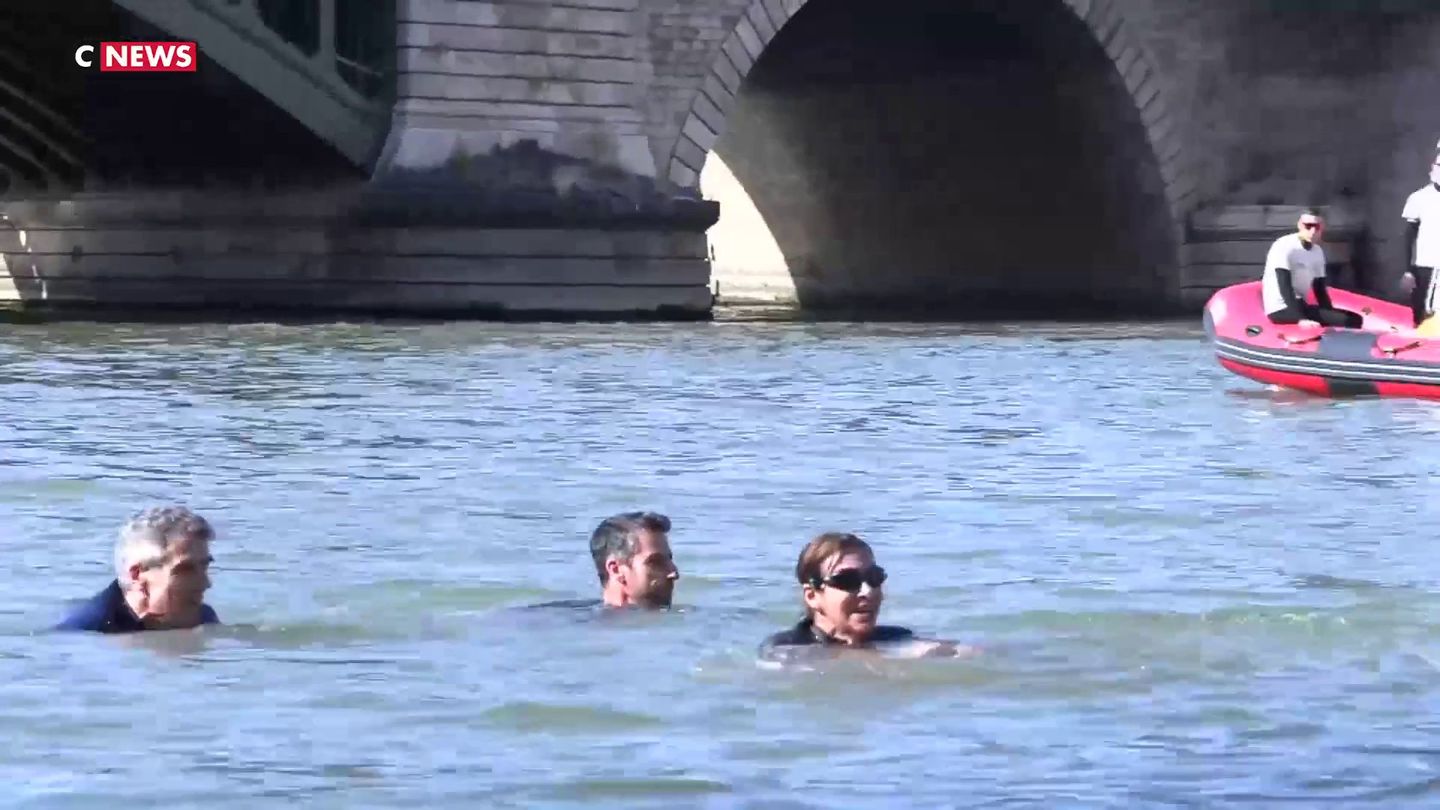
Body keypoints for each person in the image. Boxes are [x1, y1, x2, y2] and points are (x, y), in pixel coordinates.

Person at [759, 532, 973, 658]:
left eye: (874, 578)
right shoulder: (785, 650)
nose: (867, 591)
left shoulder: (898, 639)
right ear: (812, 596)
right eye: (847, 581)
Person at [55, 505, 219, 633]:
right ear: (137, 575)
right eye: (185, 570)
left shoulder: (203, 617)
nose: (205, 583)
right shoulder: (88, 630)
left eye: (204, 566)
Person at [1261, 209, 1363, 328]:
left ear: (1322, 228)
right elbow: (1284, 285)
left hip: (1301, 304)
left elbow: (1319, 289)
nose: (1313, 231)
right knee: (1345, 321)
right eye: (1308, 226)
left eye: (1317, 227)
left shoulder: (1317, 251)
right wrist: (1300, 320)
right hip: (1280, 307)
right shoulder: (1284, 245)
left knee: (1355, 319)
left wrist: (1330, 316)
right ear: (1299, 225)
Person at [589, 511, 679, 609]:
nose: (674, 574)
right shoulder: (582, 620)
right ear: (616, 569)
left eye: (669, 560)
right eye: (656, 562)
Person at [1401, 154, 1440, 328]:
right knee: (1422, 315)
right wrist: (1408, 270)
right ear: (1432, 167)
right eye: (1439, 165)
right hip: (1425, 267)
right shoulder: (1418, 198)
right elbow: (1408, 237)